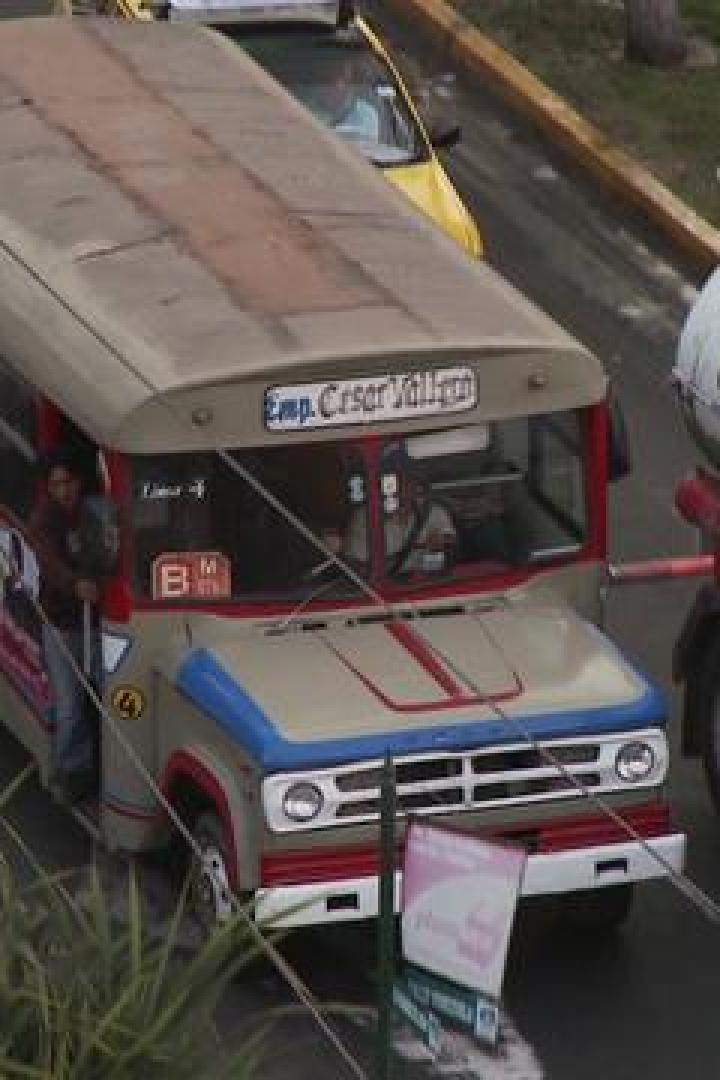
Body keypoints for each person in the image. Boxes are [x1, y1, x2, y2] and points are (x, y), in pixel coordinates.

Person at [28, 447, 100, 802]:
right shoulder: (44, 520)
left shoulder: (95, 511)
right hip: (62, 624)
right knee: (70, 705)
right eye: (55, 484)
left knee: (109, 698)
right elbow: (48, 563)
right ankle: (73, 771)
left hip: (101, 624)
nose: (62, 491)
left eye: (68, 482)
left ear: (79, 481)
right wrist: (75, 585)